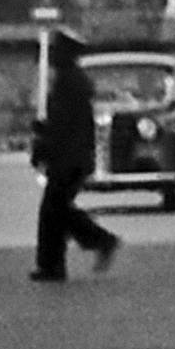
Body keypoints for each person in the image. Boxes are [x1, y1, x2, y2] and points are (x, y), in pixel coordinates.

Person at [32, 24, 124, 287]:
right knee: (56, 210)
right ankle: (53, 264)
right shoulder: (74, 79)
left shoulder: (68, 81)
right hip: (75, 156)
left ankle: (96, 242)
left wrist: (43, 145)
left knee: (54, 210)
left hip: (68, 157)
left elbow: (61, 124)